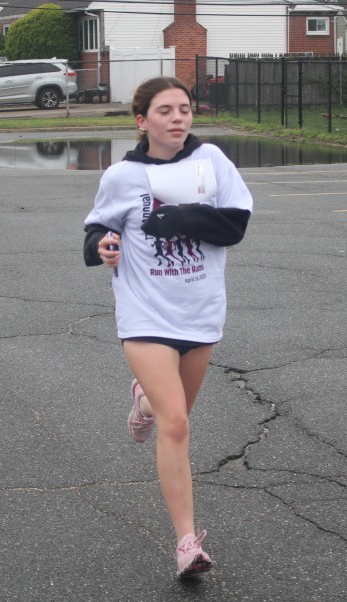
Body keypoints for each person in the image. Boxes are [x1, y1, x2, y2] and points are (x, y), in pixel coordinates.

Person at [83, 76, 253, 578]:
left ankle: (143, 401)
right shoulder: (122, 176)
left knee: (169, 413)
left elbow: (235, 226)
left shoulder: (212, 161)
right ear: (142, 121)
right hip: (145, 313)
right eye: (165, 110)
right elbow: (96, 228)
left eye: (184, 108)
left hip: (200, 312)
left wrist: (182, 217)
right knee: (176, 423)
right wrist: (101, 246)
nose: (178, 117)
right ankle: (186, 542)